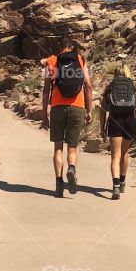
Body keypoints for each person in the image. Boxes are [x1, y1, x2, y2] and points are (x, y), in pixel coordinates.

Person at [42, 37, 92, 198]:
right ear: (71, 47)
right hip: (77, 106)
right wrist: (89, 110)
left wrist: (44, 115)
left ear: (60, 47)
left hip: (57, 106)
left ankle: (58, 185)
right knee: (72, 146)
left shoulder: (51, 61)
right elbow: (88, 86)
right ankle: (71, 168)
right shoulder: (80, 59)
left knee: (58, 147)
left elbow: (46, 90)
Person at [99, 64, 136, 199]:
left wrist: (102, 129)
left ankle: (116, 186)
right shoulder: (132, 86)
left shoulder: (111, 87)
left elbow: (102, 110)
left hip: (115, 121)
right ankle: (123, 181)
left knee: (115, 156)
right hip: (130, 122)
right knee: (125, 152)